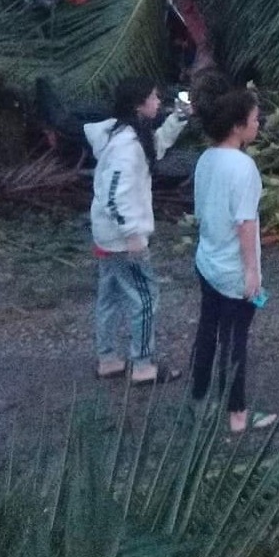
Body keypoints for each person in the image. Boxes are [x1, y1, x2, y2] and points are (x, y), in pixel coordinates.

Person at [83, 79, 191, 383]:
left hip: (107, 235)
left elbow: (153, 148)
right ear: (138, 105)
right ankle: (143, 365)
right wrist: (132, 234)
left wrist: (178, 118)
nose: (158, 102)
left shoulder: (125, 136)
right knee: (144, 297)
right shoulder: (125, 148)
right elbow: (115, 194)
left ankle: (108, 359)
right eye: (153, 98)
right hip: (122, 240)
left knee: (110, 296)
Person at [189, 87, 276, 433]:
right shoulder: (243, 167)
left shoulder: (206, 159)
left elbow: (200, 211)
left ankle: (200, 399)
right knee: (235, 339)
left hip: (207, 261)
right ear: (239, 126)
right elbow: (245, 223)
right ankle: (237, 413)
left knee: (208, 331)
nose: (258, 125)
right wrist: (252, 272)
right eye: (255, 120)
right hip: (231, 269)